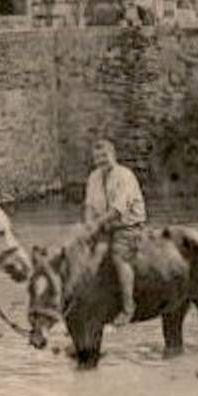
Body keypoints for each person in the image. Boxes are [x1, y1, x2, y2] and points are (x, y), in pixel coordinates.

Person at [83, 139, 147, 327]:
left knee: (119, 257)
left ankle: (128, 307)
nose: (101, 160)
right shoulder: (94, 177)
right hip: (102, 226)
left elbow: (118, 210)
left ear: (114, 155)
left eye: (104, 156)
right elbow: (88, 205)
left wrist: (95, 224)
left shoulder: (125, 176)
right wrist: (88, 225)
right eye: (97, 158)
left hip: (128, 227)